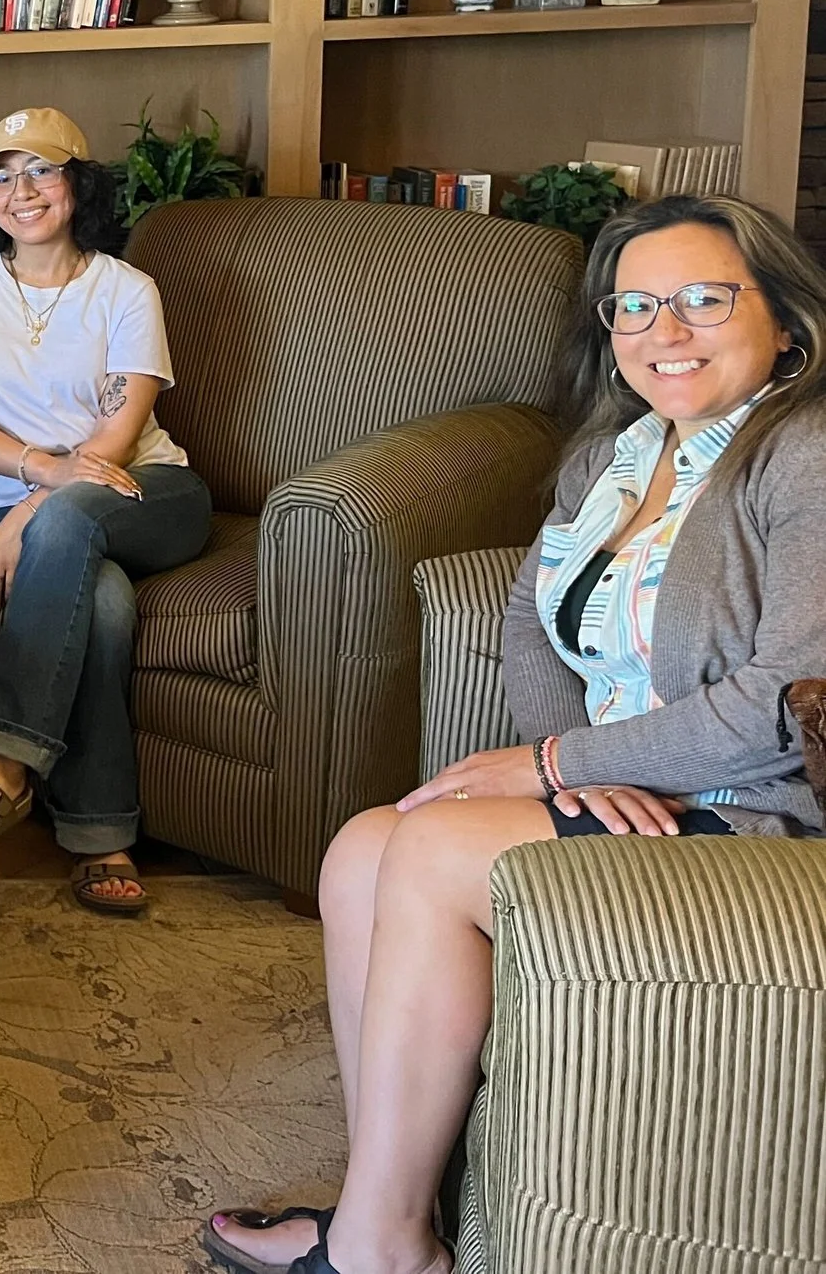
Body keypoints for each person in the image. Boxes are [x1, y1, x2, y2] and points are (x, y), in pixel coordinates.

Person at [204, 192, 826, 1274]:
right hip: (644, 797)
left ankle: (376, 1252)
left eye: (701, 299)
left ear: (785, 320)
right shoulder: (620, 457)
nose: (661, 331)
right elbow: (529, 627)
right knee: (360, 850)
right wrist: (573, 788)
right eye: (631, 306)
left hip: (763, 813)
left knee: (438, 847)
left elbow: (788, 694)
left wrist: (560, 765)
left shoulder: (803, 453)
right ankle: (387, 1207)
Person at [0, 107, 212, 917]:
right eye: (1, 176)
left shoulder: (127, 290)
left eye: (39, 169)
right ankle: (100, 833)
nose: (20, 191)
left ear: (78, 182)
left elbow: (116, 438)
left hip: (149, 493)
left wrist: (29, 510)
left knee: (70, 522)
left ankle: (0, 765)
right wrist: (37, 481)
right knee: (102, 601)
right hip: (35, 509)